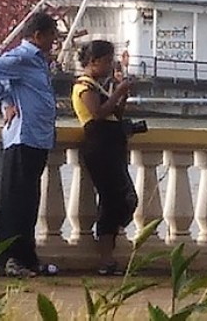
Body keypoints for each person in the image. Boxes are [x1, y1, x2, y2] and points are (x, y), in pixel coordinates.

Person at [0, 11, 59, 278]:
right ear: (38, 35)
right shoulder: (22, 57)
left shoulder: (38, 60)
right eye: (51, 35)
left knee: (29, 202)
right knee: (16, 202)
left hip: (38, 137)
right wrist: (7, 101)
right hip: (23, 137)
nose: (54, 41)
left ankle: (27, 258)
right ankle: (9, 260)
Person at [72, 40, 138, 275]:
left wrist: (122, 96)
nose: (111, 66)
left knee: (124, 199)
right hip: (100, 147)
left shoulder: (97, 86)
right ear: (94, 61)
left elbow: (114, 113)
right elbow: (98, 113)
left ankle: (108, 249)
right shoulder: (84, 86)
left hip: (110, 146)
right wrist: (118, 91)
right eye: (108, 61)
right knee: (113, 200)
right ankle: (106, 257)